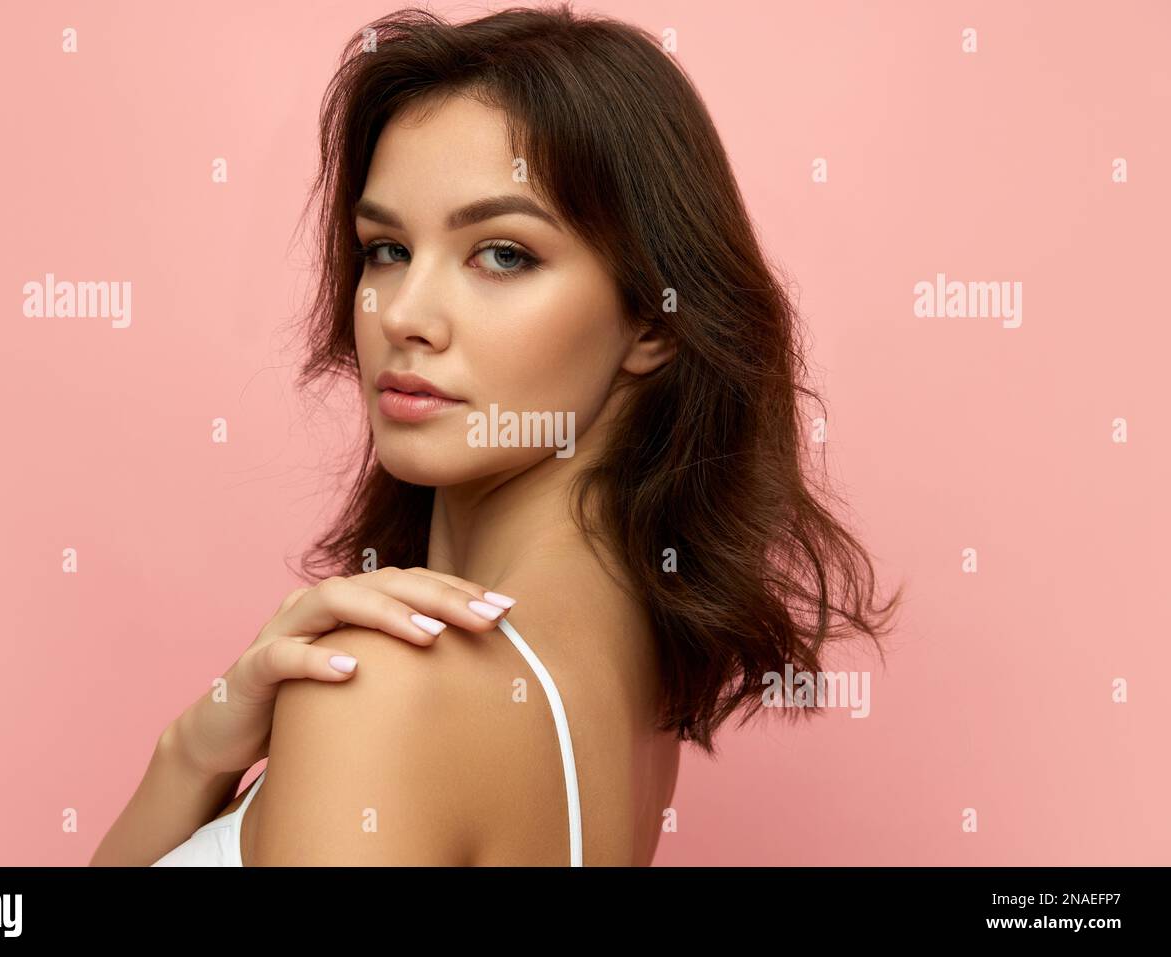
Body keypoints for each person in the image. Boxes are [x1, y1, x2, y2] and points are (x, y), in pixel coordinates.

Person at [92, 2, 901, 868]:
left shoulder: (385, 689)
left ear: (652, 322)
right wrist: (194, 752)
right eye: (387, 249)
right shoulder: (628, 691)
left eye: (503, 254)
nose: (404, 315)